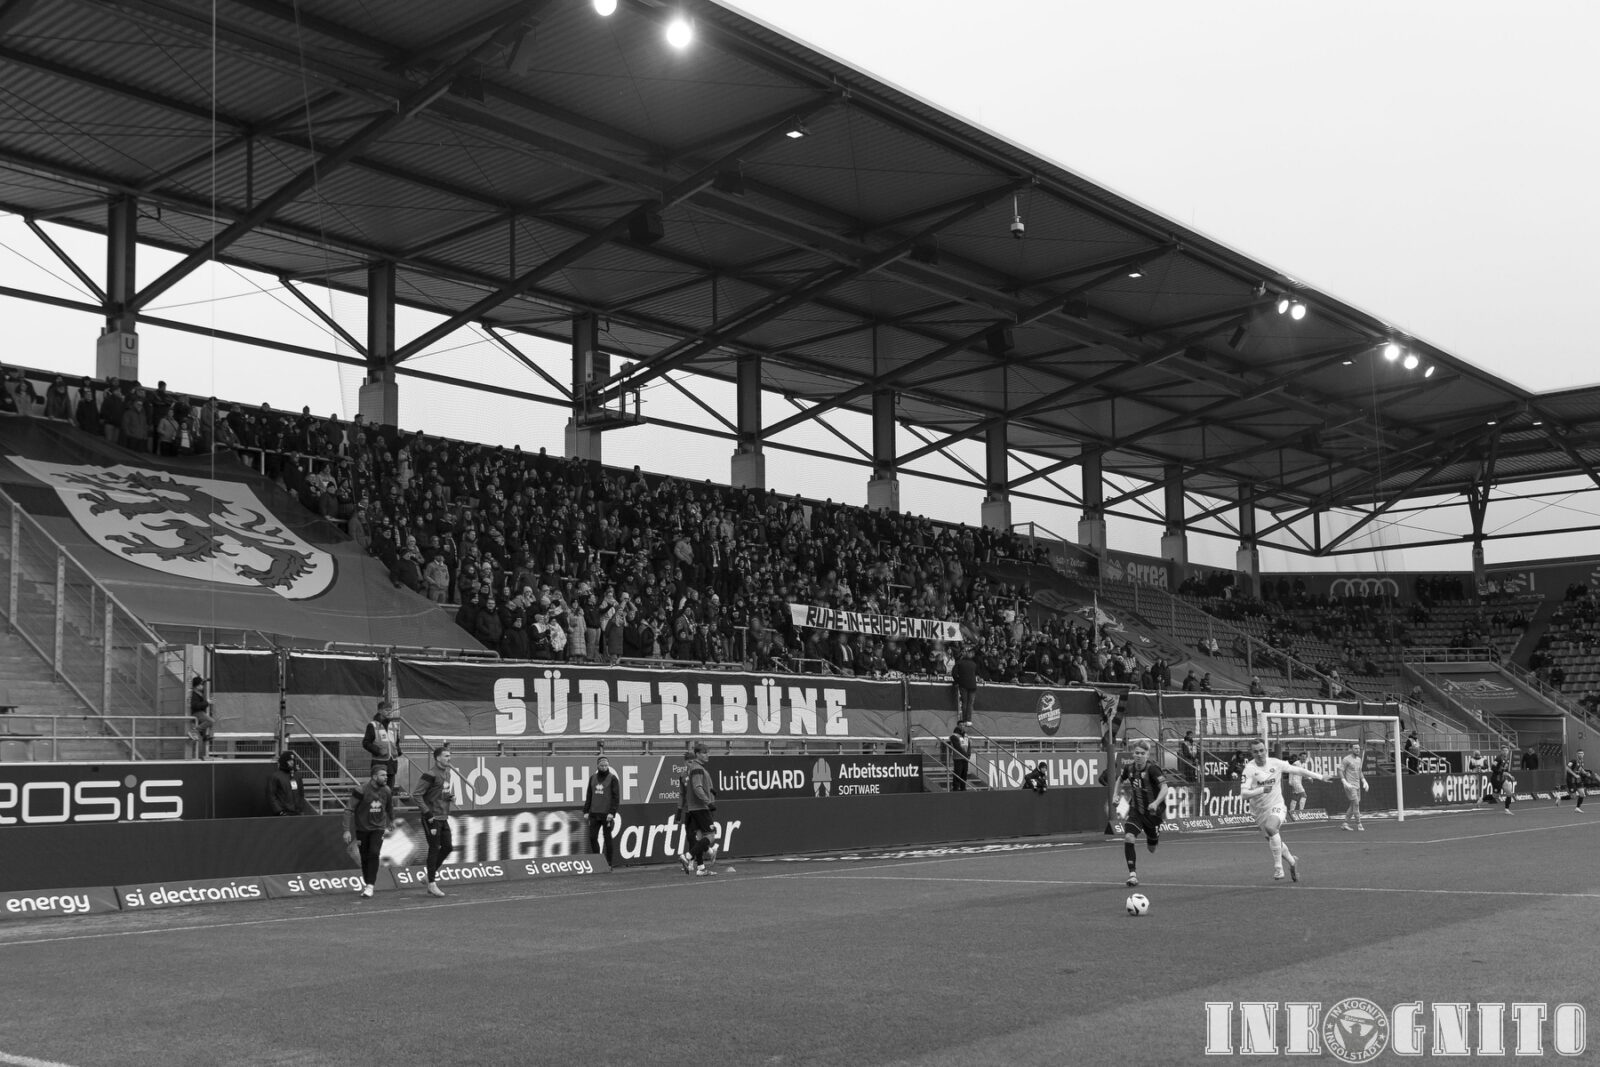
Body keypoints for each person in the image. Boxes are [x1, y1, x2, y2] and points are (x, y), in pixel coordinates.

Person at [1238, 738, 1332, 882]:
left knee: (1271, 828)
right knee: (1273, 839)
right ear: (1251, 753)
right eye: (1255, 751)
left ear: (1266, 750)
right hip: (1259, 811)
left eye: (1262, 750)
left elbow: (1299, 770)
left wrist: (1320, 776)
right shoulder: (1249, 769)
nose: (1259, 754)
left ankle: (1278, 868)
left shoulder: (1275, 763)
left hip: (1277, 805)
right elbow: (1244, 794)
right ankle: (1292, 861)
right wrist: (1261, 789)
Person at [1114, 739, 1168, 888]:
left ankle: (1154, 835)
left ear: (1147, 754)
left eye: (1142, 753)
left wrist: (1156, 803)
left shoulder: (1153, 769)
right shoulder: (1129, 768)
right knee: (1129, 837)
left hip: (1153, 814)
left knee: (1152, 848)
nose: (1139, 756)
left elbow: (1164, 787)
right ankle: (1132, 875)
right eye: (1136, 753)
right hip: (1136, 811)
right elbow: (1120, 779)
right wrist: (1115, 795)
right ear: (1133, 753)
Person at [346, 765, 394, 899]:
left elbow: (389, 807)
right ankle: (368, 884)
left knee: (374, 852)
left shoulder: (387, 790)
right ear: (374, 777)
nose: (386, 777)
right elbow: (349, 809)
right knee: (365, 856)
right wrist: (346, 831)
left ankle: (370, 885)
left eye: (386, 775)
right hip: (362, 828)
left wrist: (391, 821)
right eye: (383, 775)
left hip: (378, 828)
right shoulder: (360, 790)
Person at [415, 745, 456, 897]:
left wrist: (449, 797)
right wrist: (427, 813)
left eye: (449, 756)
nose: (449, 758)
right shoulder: (430, 774)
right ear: (438, 758)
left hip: (443, 816)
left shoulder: (448, 773)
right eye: (446, 756)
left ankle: (428, 876)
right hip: (431, 818)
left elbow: (441, 793)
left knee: (448, 847)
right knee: (434, 848)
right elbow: (417, 795)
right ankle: (431, 883)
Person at [681, 741, 719, 876]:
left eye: (708, 752)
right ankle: (687, 856)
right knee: (711, 836)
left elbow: (699, 786)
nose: (707, 755)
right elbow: (697, 788)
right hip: (700, 807)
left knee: (699, 837)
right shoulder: (697, 768)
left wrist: (710, 791)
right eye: (704, 753)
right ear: (697, 754)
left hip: (694, 807)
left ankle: (701, 868)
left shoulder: (697, 768)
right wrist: (708, 802)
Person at [582, 755, 622, 868]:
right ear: (597, 766)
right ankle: (597, 861)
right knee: (592, 837)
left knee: (607, 838)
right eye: (602, 765)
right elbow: (589, 795)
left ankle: (609, 863)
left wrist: (612, 813)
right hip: (594, 813)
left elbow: (616, 797)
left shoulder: (612, 778)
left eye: (606, 765)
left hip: (606, 815)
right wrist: (586, 810)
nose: (604, 767)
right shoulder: (592, 778)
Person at [362, 701, 402, 787]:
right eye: (387, 710)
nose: (389, 712)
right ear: (380, 711)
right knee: (377, 790)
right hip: (379, 763)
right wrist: (378, 750)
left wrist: (398, 751)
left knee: (389, 791)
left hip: (392, 764)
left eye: (391, 710)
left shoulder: (394, 726)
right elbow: (365, 743)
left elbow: (396, 742)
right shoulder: (372, 725)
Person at [1337, 742, 1368, 831]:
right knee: (1356, 804)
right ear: (1351, 749)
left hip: (1357, 785)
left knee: (1353, 804)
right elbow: (1340, 770)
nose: (1357, 750)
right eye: (1355, 748)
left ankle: (1345, 823)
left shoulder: (1359, 759)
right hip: (1350, 786)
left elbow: (1359, 772)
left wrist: (1364, 781)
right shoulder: (1346, 759)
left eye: (1358, 748)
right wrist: (1344, 781)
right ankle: (1359, 824)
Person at [266, 751, 304, 815]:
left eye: (293, 760)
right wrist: (279, 811)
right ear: (284, 761)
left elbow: (301, 793)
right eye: (289, 761)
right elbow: (271, 795)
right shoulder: (275, 776)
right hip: (283, 814)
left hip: (297, 813)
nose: (292, 762)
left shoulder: (297, 775)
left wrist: (301, 808)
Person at [187, 676, 215, 759]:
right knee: (211, 721)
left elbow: (201, 680)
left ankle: (205, 736)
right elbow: (195, 705)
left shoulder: (197, 693)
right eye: (201, 685)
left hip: (200, 712)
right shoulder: (194, 694)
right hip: (197, 713)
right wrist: (207, 702)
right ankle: (193, 731)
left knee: (209, 723)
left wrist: (206, 679)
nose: (202, 686)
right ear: (197, 686)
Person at [1485, 746, 1516, 813]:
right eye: (1504, 750)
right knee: (1495, 796)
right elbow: (1492, 768)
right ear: (1501, 751)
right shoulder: (1498, 758)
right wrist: (1500, 772)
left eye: (1506, 750)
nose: (1505, 752)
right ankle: (1482, 799)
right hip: (1496, 779)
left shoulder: (1507, 759)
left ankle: (1507, 809)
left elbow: (1505, 770)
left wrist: (1510, 775)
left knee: (1509, 793)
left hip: (1502, 778)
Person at [951, 649, 978, 723]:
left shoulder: (959, 662)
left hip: (963, 685)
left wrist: (957, 681)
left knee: (964, 703)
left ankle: (964, 719)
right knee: (970, 703)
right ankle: (969, 720)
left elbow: (953, 673)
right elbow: (976, 674)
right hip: (973, 685)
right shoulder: (974, 664)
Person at [947, 721, 972, 791]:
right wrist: (965, 755)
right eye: (960, 725)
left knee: (964, 773)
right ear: (957, 726)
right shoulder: (954, 736)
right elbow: (957, 747)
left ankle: (963, 788)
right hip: (958, 757)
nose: (962, 727)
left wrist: (969, 754)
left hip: (965, 758)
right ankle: (955, 788)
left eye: (963, 725)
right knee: (958, 773)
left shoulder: (966, 735)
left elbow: (969, 745)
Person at [1285, 751, 1308, 821]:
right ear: (1300, 757)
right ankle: (1301, 812)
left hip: (1298, 782)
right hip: (1295, 781)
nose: (1304, 758)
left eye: (1305, 757)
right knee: (1304, 795)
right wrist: (1290, 781)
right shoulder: (1296, 763)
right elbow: (1291, 771)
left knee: (1295, 796)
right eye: (1303, 757)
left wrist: (1308, 777)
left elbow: (1304, 773)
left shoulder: (1303, 764)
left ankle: (1291, 812)